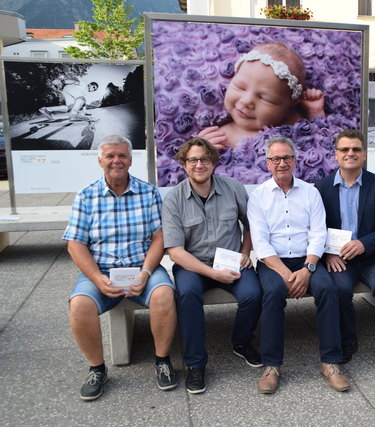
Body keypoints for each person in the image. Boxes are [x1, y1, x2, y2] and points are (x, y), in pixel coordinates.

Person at [63, 135, 177, 401]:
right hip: (101, 270)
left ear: (130, 159)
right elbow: (75, 244)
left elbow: (159, 237)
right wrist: (97, 278)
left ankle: (162, 360)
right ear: (100, 160)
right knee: (80, 304)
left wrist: (146, 272)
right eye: (111, 156)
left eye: (122, 156)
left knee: (164, 295)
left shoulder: (148, 192)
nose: (117, 161)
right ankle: (96, 369)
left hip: (142, 267)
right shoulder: (87, 196)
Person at [247, 136, 350, 394]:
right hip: (274, 263)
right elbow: (260, 242)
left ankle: (331, 363)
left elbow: (318, 234)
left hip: (307, 260)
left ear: (295, 160)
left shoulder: (311, 192)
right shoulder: (258, 196)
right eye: (275, 158)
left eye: (286, 158)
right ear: (267, 163)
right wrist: (285, 273)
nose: (281, 163)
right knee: (271, 293)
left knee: (328, 290)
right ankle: (271, 367)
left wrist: (308, 269)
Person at [161, 137, 263, 395]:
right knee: (187, 294)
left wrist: (244, 252)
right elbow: (175, 251)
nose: (199, 165)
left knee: (253, 294)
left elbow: (251, 223)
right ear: (184, 164)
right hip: (193, 266)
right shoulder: (174, 199)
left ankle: (241, 343)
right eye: (192, 160)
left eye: (204, 159)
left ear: (213, 163)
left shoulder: (233, 188)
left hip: (230, 260)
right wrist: (212, 273)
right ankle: (195, 364)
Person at [315, 129, 375, 371]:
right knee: (339, 289)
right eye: (344, 149)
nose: (350, 153)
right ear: (336, 154)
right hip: (338, 258)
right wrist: (328, 253)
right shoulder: (321, 188)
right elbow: (314, 228)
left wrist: (364, 243)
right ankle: (348, 341)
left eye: (355, 149)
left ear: (364, 154)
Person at [199, 42, 325, 151]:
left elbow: (322, 142)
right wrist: (201, 149)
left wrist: (315, 112)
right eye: (240, 87)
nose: (246, 101)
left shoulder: (294, 122)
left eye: (265, 98)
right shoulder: (221, 135)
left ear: (290, 106)